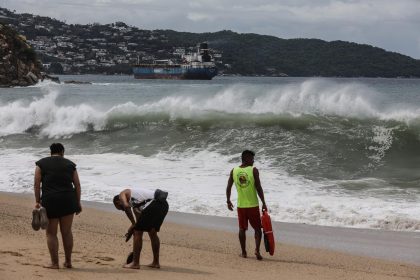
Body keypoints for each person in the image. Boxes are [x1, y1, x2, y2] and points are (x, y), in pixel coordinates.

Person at [34, 143, 82, 269]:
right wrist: (77, 203)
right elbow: (77, 185)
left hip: (50, 201)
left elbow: (36, 184)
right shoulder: (70, 165)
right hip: (68, 200)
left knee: (51, 233)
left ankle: (55, 263)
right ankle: (68, 262)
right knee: (66, 232)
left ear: (51, 152)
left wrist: (37, 201)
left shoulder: (41, 164)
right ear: (62, 152)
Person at [226, 150, 267, 260]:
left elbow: (228, 187)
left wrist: (228, 201)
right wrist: (263, 202)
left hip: (241, 206)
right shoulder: (253, 170)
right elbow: (258, 188)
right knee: (258, 229)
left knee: (242, 229)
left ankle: (244, 252)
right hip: (253, 205)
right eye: (252, 159)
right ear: (246, 158)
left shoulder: (234, 170)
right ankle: (257, 250)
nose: (253, 161)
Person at [113, 188, 169, 269]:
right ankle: (156, 263)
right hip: (163, 205)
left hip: (154, 203)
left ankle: (135, 263)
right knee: (152, 232)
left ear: (118, 202)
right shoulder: (137, 205)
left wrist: (133, 226)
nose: (122, 210)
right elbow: (138, 224)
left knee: (137, 232)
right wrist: (133, 227)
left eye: (120, 208)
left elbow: (126, 206)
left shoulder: (122, 194)